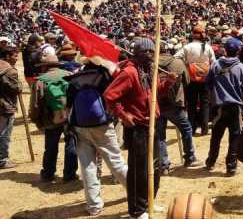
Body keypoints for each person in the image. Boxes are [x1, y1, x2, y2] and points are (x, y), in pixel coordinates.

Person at [104, 38, 177, 219]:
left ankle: (149, 202)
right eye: (148, 52)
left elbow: (156, 91)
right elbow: (109, 96)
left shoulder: (147, 70)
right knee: (139, 170)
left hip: (153, 125)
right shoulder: (129, 72)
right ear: (137, 54)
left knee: (155, 167)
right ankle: (137, 210)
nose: (152, 55)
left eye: (153, 52)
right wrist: (123, 115)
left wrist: (168, 82)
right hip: (138, 127)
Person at [67, 61, 128, 217]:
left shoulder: (75, 78)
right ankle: (135, 193)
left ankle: (94, 206)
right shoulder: (104, 76)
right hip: (102, 125)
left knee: (87, 166)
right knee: (115, 161)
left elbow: (68, 106)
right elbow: (114, 99)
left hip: (80, 126)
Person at [30, 54, 79, 182]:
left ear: (44, 66)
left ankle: (48, 174)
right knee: (71, 144)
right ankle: (70, 174)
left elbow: (35, 105)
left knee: (51, 146)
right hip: (70, 116)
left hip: (50, 118)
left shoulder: (40, 80)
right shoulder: (69, 75)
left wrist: (37, 121)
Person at [205, 37, 243, 175]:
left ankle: (211, 162)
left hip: (219, 106)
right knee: (235, 136)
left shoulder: (216, 65)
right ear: (238, 51)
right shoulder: (242, 68)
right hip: (235, 106)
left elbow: (208, 83)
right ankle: (231, 166)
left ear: (225, 50)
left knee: (216, 136)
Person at [157, 42, 200, 172]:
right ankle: (190, 158)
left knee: (160, 136)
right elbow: (187, 81)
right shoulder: (178, 63)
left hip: (157, 104)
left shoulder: (151, 64)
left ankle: (163, 164)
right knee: (186, 130)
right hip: (175, 103)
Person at [175, 24, 215, 136]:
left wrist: (187, 65)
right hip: (205, 79)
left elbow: (176, 57)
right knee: (205, 103)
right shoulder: (207, 47)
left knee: (191, 104)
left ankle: (192, 128)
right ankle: (204, 128)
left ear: (193, 34)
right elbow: (214, 62)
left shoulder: (187, 47)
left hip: (191, 79)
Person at [0, 45, 21, 169]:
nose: (17, 58)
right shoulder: (9, 71)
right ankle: (2, 160)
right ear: (7, 56)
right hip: (5, 106)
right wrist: (20, 86)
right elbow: (15, 88)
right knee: (4, 133)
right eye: (15, 55)